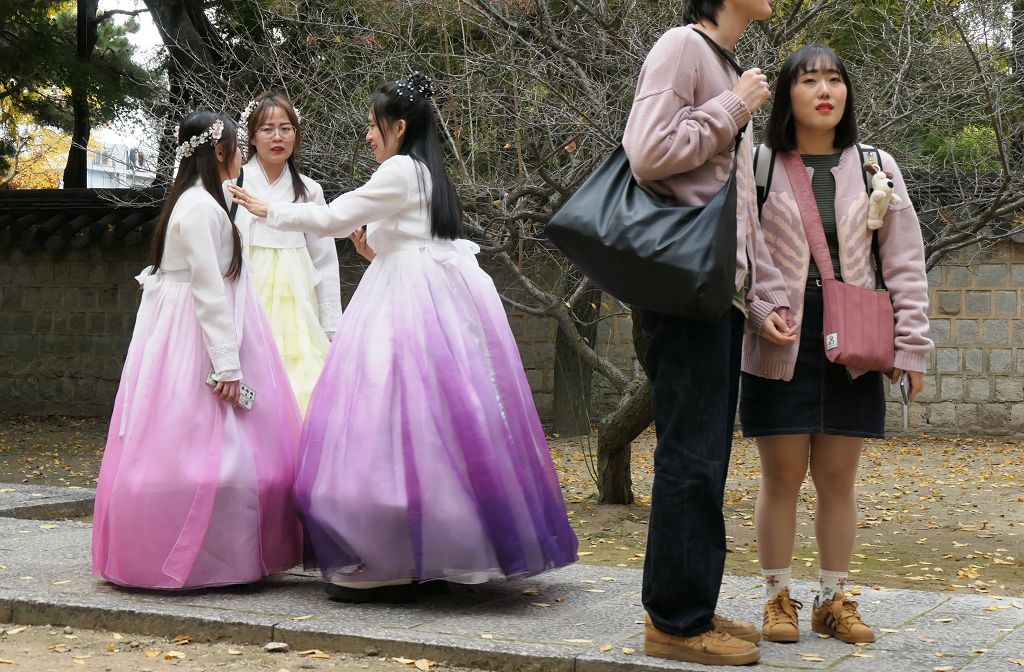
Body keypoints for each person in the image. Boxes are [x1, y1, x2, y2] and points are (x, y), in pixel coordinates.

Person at [231, 72, 578, 603]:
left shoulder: (397, 170)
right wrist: (374, 252)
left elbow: (332, 217)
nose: (368, 136)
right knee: (437, 420)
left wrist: (268, 209)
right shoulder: (427, 172)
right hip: (428, 289)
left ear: (396, 127)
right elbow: (410, 235)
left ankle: (383, 554)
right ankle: (438, 544)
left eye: (373, 126)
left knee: (383, 411)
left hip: (406, 299)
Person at [621, 0, 797, 665]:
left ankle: (687, 603)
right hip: (679, 295)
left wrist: (754, 308)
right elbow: (646, 152)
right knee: (690, 460)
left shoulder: (722, 63)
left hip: (712, 299)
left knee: (704, 461)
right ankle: (674, 623)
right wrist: (733, 109)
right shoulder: (681, 47)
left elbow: (732, 214)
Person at [740, 45, 932, 645]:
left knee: (838, 477)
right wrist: (760, 308)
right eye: (809, 80)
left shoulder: (877, 165)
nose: (825, 90)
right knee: (781, 475)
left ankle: (833, 599)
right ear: (788, 93)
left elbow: (903, 261)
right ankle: (777, 598)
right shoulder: (759, 163)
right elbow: (741, 249)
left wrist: (911, 346)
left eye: (835, 80)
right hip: (782, 335)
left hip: (856, 337)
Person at [92, 110, 304, 590]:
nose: (244, 153)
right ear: (220, 152)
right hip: (197, 333)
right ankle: (209, 553)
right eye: (237, 144)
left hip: (185, 328)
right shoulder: (200, 209)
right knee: (205, 439)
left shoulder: (197, 202)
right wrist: (226, 363)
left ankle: (218, 549)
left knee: (200, 439)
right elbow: (208, 290)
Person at [235, 92, 341, 413]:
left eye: (286, 128)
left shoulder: (309, 189)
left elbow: (324, 258)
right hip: (248, 287)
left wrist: (331, 323)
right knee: (250, 376)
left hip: (297, 296)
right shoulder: (234, 184)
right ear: (252, 137)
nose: (278, 137)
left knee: (302, 380)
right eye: (267, 129)